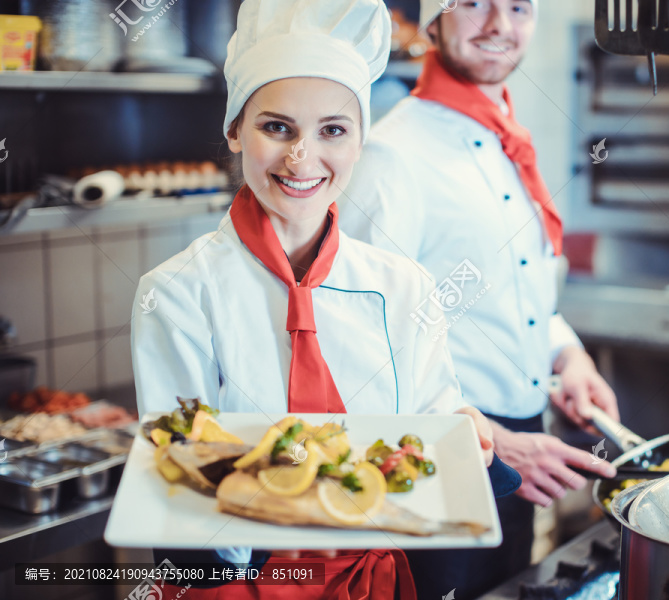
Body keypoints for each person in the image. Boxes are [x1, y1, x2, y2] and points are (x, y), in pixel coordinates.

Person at [130, 0, 498, 598]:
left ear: (360, 142)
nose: (302, 158)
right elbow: (183, 487)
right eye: (277, 127)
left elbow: (428, 432)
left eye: (333, 130)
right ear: (234, 132)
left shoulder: (406, 287)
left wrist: (461, 433)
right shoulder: (176, 294)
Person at [338, 0, 621, 595]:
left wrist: (566, 354)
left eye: (519, 7)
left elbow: (512, 283)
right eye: (473, 4)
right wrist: (488, 442)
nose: (499, 25)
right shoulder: (392, 157)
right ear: (432, 19)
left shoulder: (504, 137)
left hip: (521, 446)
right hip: (434, 458)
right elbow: (360, 347)